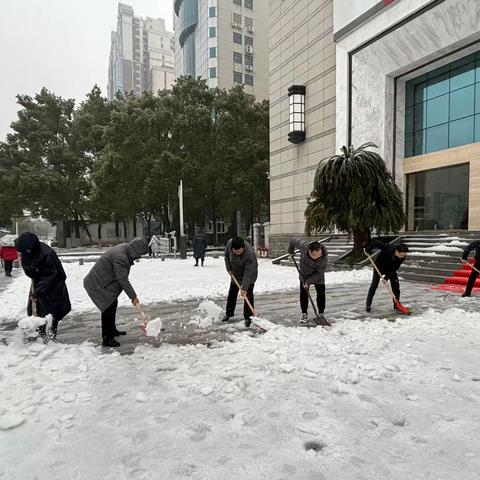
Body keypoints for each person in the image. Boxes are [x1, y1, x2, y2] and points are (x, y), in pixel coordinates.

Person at [83, 238, 148, 347]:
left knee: (112, 303)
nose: (138, 257)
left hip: (104, 281)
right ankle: (107, 338)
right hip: (98, 283)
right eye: (139, 255)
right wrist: (133, 297)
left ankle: (112, 330)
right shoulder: (121, 257)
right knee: (107, 307)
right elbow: (122, 280)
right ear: (135, 251)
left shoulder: (125, 249)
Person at [14, 232, 71, 341]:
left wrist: (39, 290)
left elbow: (50, 274)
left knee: (50, 313)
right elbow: (27, 266)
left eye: (27, 250)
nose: (25, 253)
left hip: (53, 285)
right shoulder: (26, 250)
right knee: (35, 311)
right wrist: (32, 271)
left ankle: (50, 337)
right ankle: (38, 335)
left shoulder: (47, 254)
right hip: (38, 283)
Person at [288, 238, 328, 323]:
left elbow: (319, 274)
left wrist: (308, 282)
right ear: (309, 251)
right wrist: (290, 251)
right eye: (314, 255)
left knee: (321, 293)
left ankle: (321, 313)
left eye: (318, 255)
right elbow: (291, 240)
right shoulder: (303, 245)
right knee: (304, 294)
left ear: (320, 250)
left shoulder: (324, 257)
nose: (317, 257)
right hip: (304, 274)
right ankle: (304, 313)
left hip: (318, 276)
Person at [221, 237, 258, 327]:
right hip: (235, 273)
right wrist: (229, 269)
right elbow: (226, 256)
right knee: (232, 293)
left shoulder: (250, 254)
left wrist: (244, 288)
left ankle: (248, 317)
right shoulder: (230, 243)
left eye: (239, 252)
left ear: (243, 248)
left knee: (248, 295)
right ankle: (229, 313)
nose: (237, 253)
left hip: (249, 274)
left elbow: (249, 272)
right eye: (235, 252)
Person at [366, 240, 409, 312]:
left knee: (396, 285)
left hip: (391, 269)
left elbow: (394, 268)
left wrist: (386, 277)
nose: (403, 257)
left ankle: (397, 305)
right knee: (374, 285)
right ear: (397, 251)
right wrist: (369, 248)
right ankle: (368, 304)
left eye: (404, 254)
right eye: (401, 255)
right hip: (379, 266)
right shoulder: (388, 247)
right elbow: (375, 241)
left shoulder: (402, 256)